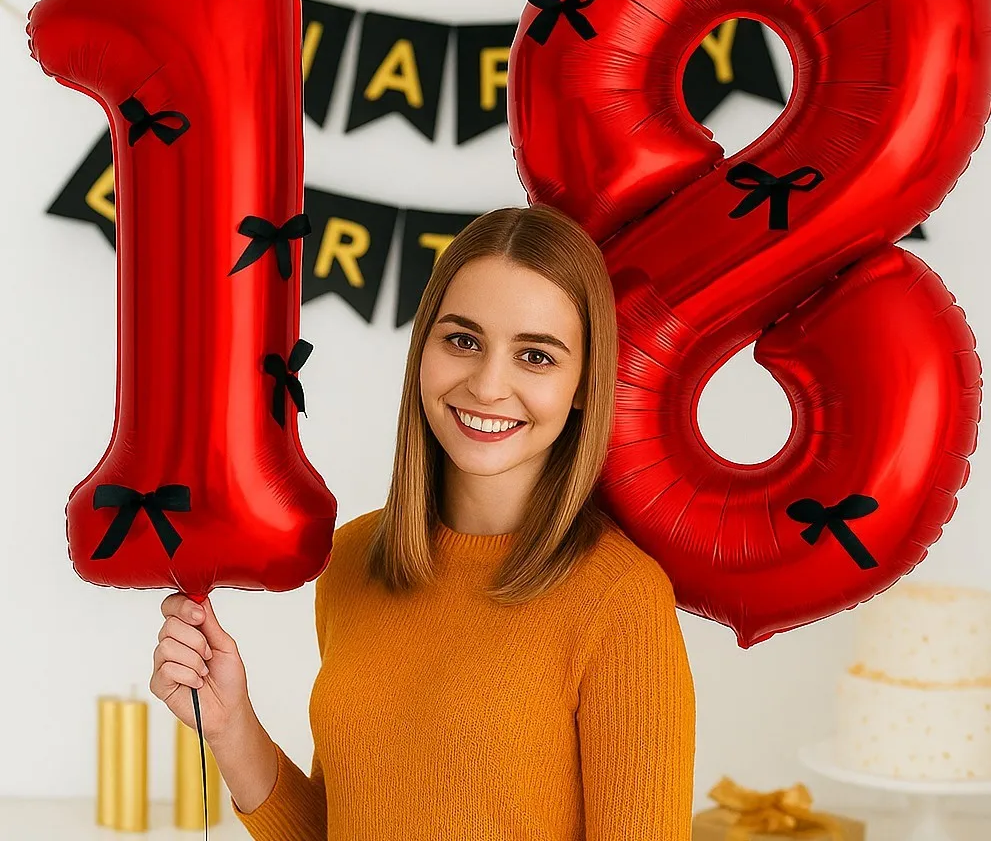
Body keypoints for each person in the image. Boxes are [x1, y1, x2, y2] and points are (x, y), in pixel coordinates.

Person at [151, 204, 696, 841]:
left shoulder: (621, 603)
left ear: (583, 384)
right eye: (463, 340)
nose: (489, 385)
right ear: (423, 350)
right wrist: (230, 725)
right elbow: (346, 826)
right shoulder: (353, 560)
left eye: (537, 357)